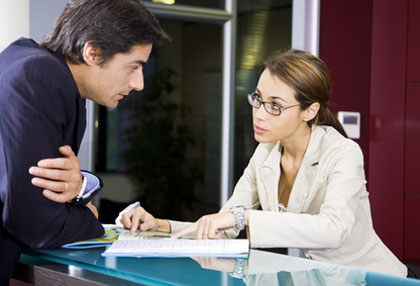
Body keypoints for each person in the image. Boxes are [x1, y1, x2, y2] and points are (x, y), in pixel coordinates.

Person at [119, 49, 408, 277]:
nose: (259, 114)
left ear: (310, 110)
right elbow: (224, 226)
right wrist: (163, 226)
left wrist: (241, 217)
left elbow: (333, 230)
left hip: (371, 278)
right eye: (258, 99)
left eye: (275, 106)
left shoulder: (343, 153)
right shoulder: (266, 153)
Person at [0, 0, 168, 283]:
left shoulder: (27, 60)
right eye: (133, 67)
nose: (139, 83)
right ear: (93, 52)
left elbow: (43, 189)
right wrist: (90, 218)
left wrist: (78, 189)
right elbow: (36, 224)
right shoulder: (40, 76)